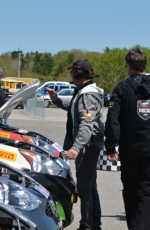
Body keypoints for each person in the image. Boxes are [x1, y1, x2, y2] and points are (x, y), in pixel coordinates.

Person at [104, 47, 150, 230]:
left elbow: (112, 120)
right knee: (146, 193)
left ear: (128, 66)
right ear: (145, 65)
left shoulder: (122, 87)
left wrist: (110, 147)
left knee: (130, 192)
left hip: (130, 151)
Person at [46, 59, 104, 230]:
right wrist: (56, 100)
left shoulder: (88, 94)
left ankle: (87, 226)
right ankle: (94, 224)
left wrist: (76, 148)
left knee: (85, 188)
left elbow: (87, 124)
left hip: (87, 147)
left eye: (73, 72)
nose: (71, 74)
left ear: (79, 74)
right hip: (87, 146)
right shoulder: (82, 92)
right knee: (90, 187)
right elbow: (75, 109)